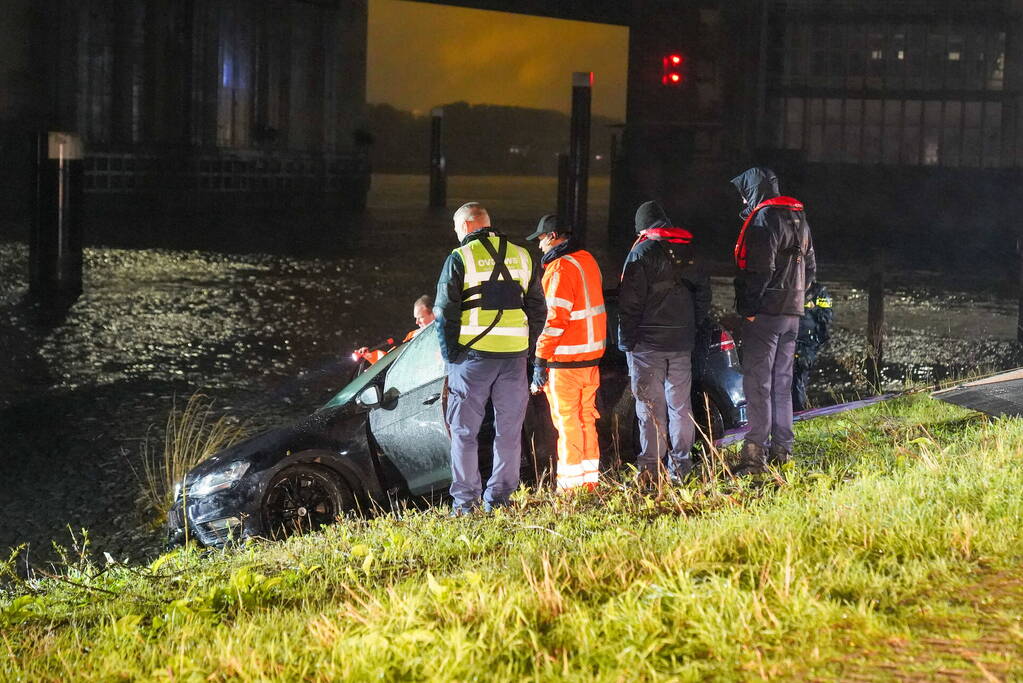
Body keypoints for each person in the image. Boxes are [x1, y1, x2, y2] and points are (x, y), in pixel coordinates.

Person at [434, 202, 546, 514]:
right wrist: (526, 343)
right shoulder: (523, 255)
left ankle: (466, 503)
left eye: (457, 228)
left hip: (473, 358)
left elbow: (444, 312)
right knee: (509, 432)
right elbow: (538, 308)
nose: (456, 234)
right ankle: (500, 500)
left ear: (468, 225)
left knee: (464, 432)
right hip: (513, 359)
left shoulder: (460, 257)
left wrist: (451, 353)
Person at [730, 167, 816, 474]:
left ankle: (755, 456)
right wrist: (794, 300)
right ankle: (784, 451)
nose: (743, 200)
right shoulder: (799, 217)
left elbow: (760, 270)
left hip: (766, 313)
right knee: (782, 384)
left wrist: (750, 308)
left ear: (754, 191)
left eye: (744, 194)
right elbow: (811, 270)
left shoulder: (764, 219)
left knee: (758, 384)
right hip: (792, 314)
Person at [618, 201, 710, 484]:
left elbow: (629, 303)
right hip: (681, 343)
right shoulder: (690, 249)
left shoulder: (641, 252)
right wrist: (690, 329)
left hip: (647, 345)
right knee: (680, 407)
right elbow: (703, 297)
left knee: (649, 409)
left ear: (643, 227)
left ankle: (650, 470)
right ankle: (681, 467)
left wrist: (626, 341)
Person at [526, 214, 607, 492]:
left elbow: (554, 320)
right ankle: (589, 482)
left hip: (565, 361)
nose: (539, 246)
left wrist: (539, 358)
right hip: (591, 358)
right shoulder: (587, 260)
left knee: (567, 423)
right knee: (587, 419)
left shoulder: (559, 269)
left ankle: (570, 488)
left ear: (552, 236)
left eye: (540, 239)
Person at [352, 294, 436, 365]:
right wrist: (370, 355)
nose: (416, 322)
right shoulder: (412, 336)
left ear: (434, 313)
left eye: (420, 318)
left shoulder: (445, 333)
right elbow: (394, 359)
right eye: (415, 318)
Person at [792, 281, 833, 411]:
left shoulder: (819, 292)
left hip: (808, 343)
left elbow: (827, 316)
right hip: (789, 340)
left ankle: (799, 410)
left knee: (800, 377)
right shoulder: (790, 287)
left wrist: (812, 307)